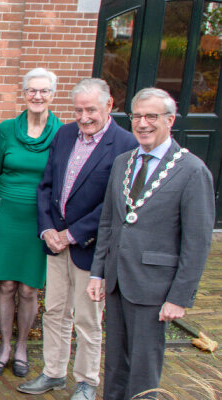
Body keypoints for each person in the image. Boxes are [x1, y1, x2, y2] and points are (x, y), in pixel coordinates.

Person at [87, 88, 213, 400]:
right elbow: (109, 222)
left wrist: (179, 297)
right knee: (115, 363)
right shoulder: (123, 163)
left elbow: (197, 243)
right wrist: (98, 272)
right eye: (137, 116)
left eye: (151, 116)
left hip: (155, 288)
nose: (143, 123)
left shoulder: (192, 170)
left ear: (170, 120)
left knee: (144, 367)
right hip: (117, 281)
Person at [20, 78, 138, 400]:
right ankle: (53, 373)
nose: (84, 117)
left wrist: (72, 234)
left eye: (91, 110)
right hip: (55, 245)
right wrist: (47, 230)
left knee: (87, 318)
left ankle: (86, 381)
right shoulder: (64, 134)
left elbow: (114, 204)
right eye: (78, 110)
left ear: (109, 105)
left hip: (90, 248)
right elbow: (46, 186)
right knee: (55, 312)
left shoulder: (125, 145)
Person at [0, 68, 62, 380]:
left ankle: (23, 346)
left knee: (29, 288)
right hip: (5, 216)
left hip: (40, 221)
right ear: (23, 93)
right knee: (6, 285)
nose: (37, 96)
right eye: (32, 90)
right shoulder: (6, 130)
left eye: (44, 91)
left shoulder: (62, 132)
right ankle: (3, 347)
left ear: (52, 95)